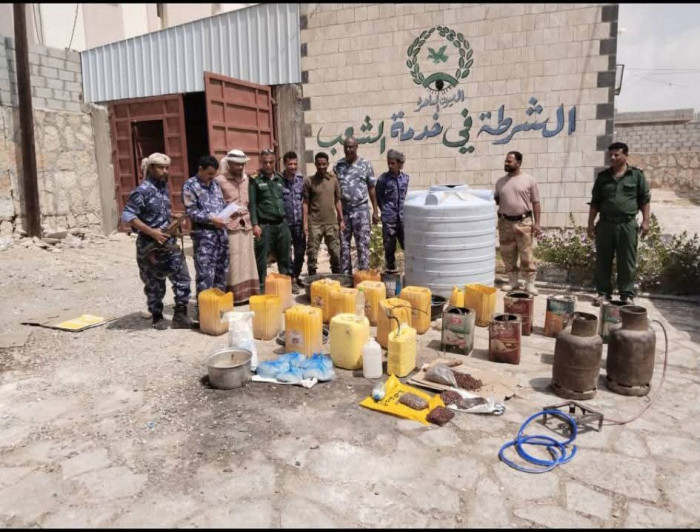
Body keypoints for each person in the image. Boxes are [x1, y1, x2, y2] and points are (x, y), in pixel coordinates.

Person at [121, 152, 193, 330]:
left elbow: (155, 212)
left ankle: (180, 315)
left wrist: (172, 217)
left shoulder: (163, 188)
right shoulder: (142, 191)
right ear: (151, 168)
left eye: (167, 168)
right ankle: (157, 316)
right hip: (150, 246)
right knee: (154, 283)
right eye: (161, 168)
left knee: (183, 278)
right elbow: (128, 215)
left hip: (168, 243)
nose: (165, 171)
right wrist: (152, 232)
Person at [587, 142, 651, 306]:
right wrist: (590, 224)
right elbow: (595, 202)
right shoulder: (603, 177)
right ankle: (603, 293)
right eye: (611, 155)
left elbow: (644, 200)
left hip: (627, 224)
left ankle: (626, 295)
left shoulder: (636, 176)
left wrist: (646, 221)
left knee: (627, 261)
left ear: (626, 155)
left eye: (617, 155)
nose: (613, 158)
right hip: (606, 224)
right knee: (603, 260)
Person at [214, 149, 261, 304]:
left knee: (247, 258)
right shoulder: (220, 181)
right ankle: (233, 296)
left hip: (245, 224)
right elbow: (215, 204)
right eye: (236, 164)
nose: (240, 167)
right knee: (233, 259)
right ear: (229, 164)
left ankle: (249, 293)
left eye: (242, 164)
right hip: (229, 224)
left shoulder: (247, 180)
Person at [182, 155, 229, 301]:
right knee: (205, 275)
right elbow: (191, 211)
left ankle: (218, 306)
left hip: (221, 236)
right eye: (209, 173)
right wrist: (211, 218)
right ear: (200, 169)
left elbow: (221, 205)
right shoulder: (190, 185)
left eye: (214, 174)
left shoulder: (215, 185)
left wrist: (231, 211)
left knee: (222, 273)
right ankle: (204, 309)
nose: (211, 177)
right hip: (204, 236)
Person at [494, 151, 542, 295]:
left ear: (519, 163)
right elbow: (497, 200)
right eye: (506, 161)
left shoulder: (529, 180)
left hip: (523, 222)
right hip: (505, 223)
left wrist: (537, 224)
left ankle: (529, 284)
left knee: (526, 254)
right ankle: (513, 282)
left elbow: (536, 203)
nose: (506, 163)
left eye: (509, 161)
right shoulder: (500, 182)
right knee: (507, 254)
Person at [333, 137, 379, 275]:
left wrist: (375, 210)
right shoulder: (338, 166)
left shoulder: (365, 165)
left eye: (351, 147)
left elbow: (371, 188)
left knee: (363, 246)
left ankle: (362, 276)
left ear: (357, 147)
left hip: (361, 210)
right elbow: (334, 188)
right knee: (344, 246)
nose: (348, 150)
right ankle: (346, 277)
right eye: (346, 147)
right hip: (344, 212)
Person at [249, 148, 291, 292]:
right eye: (265, 162)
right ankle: (262, 288)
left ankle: (284, 287)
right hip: (265, 225)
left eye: (271, 162)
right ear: (261, 162)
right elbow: (252, 204)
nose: (268, 165)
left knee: (285, 257)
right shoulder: (255, 180)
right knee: (262, 259)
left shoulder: (280, 179)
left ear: (275, 162)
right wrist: (255, 224)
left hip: (281, 224)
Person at [303, 152, 344, 276]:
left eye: (324, 164)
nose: (321, 167)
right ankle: (312, 276)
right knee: (312, 253)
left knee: (335, 252)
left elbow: (337, 200)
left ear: (327, 164)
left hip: (331, 223)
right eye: (319, 164)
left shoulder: (333, 180)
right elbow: (305, 203)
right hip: (315, 223)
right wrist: (305, 223)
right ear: (315, 164)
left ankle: (336, 275)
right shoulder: (309, 181)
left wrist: (341, 219)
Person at [376, 149, 409, 272]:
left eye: (393, 163)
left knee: (407, 245)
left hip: (403, 218)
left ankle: (410, 270)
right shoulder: (383, 179)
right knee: (389, 247)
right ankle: (391, 272)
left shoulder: (405, 178)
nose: (390, 166)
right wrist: (385, 210)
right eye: (388, 163)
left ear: (399, 163)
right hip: (389, 219)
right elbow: (379, 197)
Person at [281, 151, 306, 293]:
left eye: (295, 164)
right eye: (290, 164)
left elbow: (305, 201)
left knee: (300, 252)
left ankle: (296, 275)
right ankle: (291, 279)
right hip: (285, 223)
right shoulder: (278, 180)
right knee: (286, 253)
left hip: (299, 222)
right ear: (285, 164)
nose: (293, 167)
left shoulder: (301, 180)